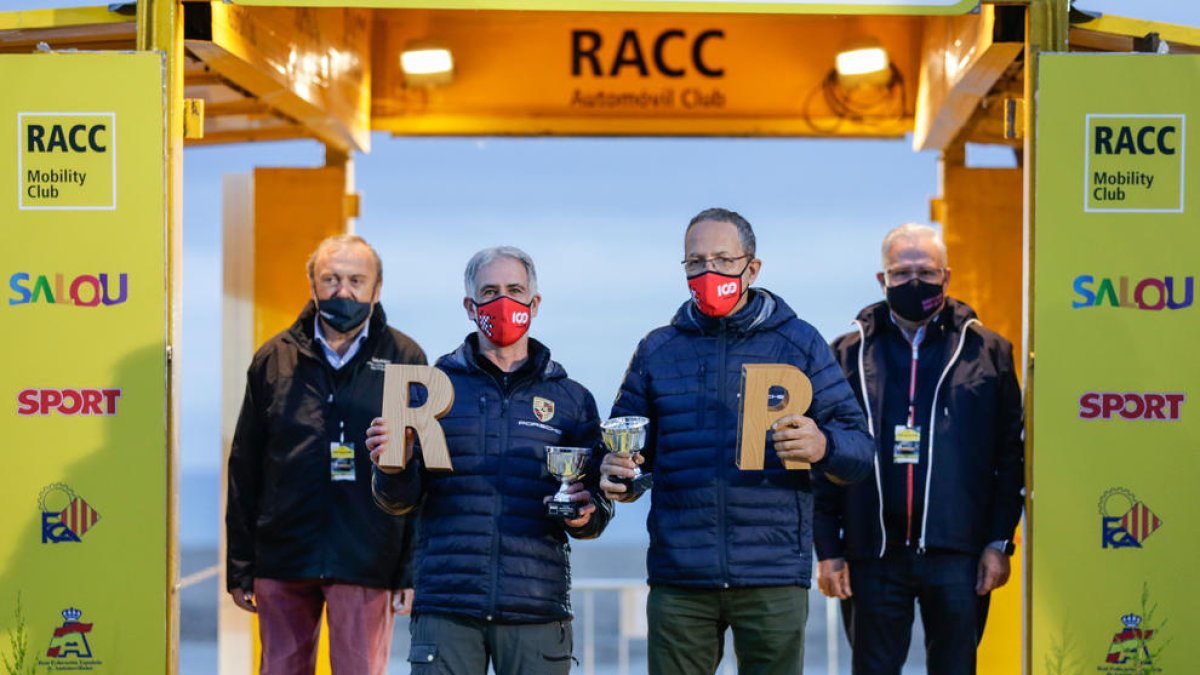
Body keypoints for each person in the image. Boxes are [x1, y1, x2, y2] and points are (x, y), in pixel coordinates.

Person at [599, 207, 874, 675]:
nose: (709, 272)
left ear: (753, 266)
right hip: (680, 578)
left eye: (723, 259)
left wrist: (823, 445)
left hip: (771, 577)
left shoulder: (800, 344)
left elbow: (860, 451)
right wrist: (616, 477)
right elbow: (625, 454)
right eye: (695, 261)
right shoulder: (657, 349)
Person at [367, 245, 613, 675]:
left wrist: (584, 514)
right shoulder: (429, 389)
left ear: (534, 304)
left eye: (515, 290)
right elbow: (397, 501)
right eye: (490, 291)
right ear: (470, 306)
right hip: (447, 609)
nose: (503, 302)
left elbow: (595, 508)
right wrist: (394, 465)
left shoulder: (572, 399)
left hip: (537, 611)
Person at [815, 223, 1025, 675]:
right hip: (872, 553)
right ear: (882, 280)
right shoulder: (845, 356)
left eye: (926, 272)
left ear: (946, 276)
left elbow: (1009, 457)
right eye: (902, 272)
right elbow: (825, 458)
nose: (915, 282)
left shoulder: (990, 353)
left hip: (959, 554)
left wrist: (998, 543)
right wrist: (828, 550)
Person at [225, 234, 425, 674]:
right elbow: (245, 465)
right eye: (331, 278)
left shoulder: (406, 359)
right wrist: (240, 566)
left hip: (368, 556)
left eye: (356, 280)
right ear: (312, 285)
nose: (343, 291)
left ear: (377, 289)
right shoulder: (273, 359)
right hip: (283, 555)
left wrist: (410, 569)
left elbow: (420, 471)